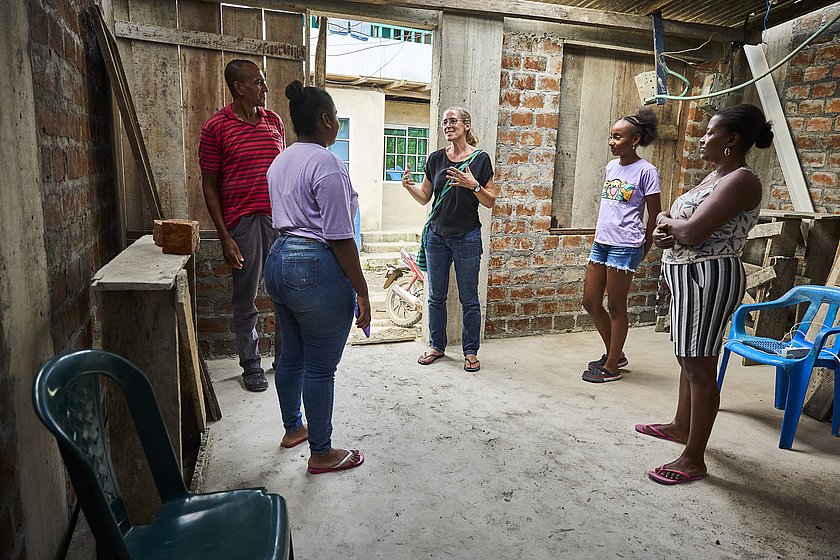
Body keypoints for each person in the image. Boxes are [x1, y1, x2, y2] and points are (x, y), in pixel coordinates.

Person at [639, 104, 772, 485]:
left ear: (732, 140)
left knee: (699, 364)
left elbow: (693, 231)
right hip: (689, 275)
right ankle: (682, 425)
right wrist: (668, 228)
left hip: (708, 277)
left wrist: (667, 223)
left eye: (710, 132)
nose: (702, 138)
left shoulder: (742, 180)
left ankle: (694, 458)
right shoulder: (716, 177)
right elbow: (677, 226)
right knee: (687, 358)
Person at [263, 80, 369, 475]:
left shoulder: (281, 161)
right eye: (336, 116)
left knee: (291, 354)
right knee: (321, 369)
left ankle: (294, 429)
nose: (337, 121)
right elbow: (341, 237)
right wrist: (363, 291)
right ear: (326, 120)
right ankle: (321, 452)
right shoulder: (327, 164)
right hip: (313, 267)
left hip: (279, 260)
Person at [199, 59, 285, 392]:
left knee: (284, 293)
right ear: (239, 87)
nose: (264, 88)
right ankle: (251, 365)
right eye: (258, 82)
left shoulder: (274, 121)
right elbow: (209, 185)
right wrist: (225, 236)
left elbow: (283, 173)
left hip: (279, 221)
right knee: (245, 298)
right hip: (243, 224)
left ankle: (284, 358)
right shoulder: (216, 127)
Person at [402, 107, 496, 373]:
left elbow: (490, 201)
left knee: (469, 299)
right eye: (444, 122)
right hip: (437, 237)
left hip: (466, 236)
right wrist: (410, 186)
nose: (447, 125)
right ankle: (436, 345)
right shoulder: (435, 159)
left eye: (453, 121)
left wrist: (473, 185)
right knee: (435, 296)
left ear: (466, 125)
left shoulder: (480, 160)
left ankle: (470, 351)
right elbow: (425, 197)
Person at [581, 109, 661, 383]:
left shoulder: (647, 171)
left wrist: (644, 249)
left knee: (616, 307)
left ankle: (612, 366)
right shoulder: (611, 167)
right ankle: (617, 353)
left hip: (625, 246)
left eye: (618, 137)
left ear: (635, 139)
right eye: (611, 137)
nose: (612, 142)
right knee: (590, 302)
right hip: (601, 243)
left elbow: (655, 216)